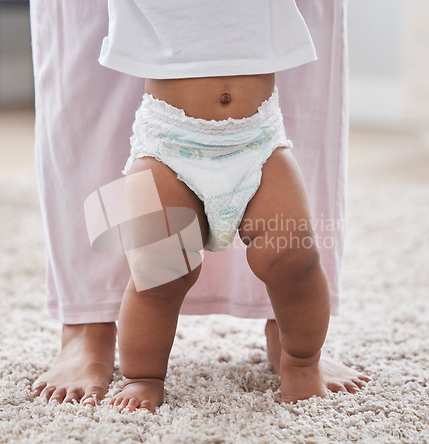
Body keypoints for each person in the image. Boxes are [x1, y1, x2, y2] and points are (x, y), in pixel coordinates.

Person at [29, 0, 370, 408]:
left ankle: (301, 362)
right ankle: (144, 377)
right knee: (160, 275)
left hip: (259, 141)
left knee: (295, 259)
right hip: (168, 145)